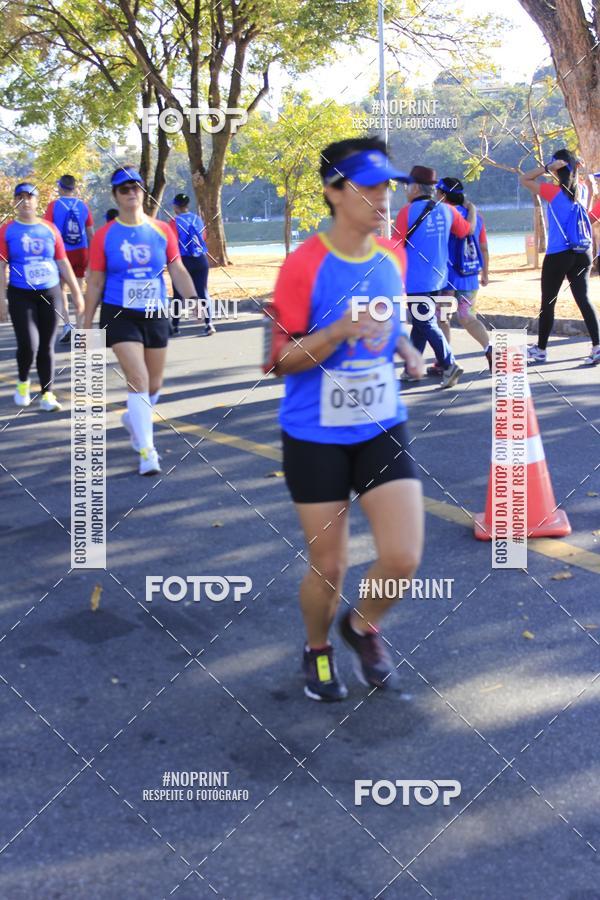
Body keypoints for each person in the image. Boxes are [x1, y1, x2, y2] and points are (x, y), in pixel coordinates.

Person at [264, 137, 425, 702]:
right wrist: (334, 333)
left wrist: (404, 346)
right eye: (371, 186)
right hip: (315, 434)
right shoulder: (304, 265)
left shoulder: (392, 256)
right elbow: (281, 361)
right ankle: (316, 648)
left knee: (403, 556)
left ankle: (359, 627)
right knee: (330, 566)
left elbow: (387, 316)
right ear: (335, 193)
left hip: (381, 422)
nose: (385, 197)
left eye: (388, 186)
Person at [83, 166, 200, 476]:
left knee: (154, 383)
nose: (131, 192)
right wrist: (84, 324)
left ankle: (132, 418)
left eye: (135, 186)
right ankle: (148, 451)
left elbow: (177, 269)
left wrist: (193, 300)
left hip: (155, 311)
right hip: (119, 312)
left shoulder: (163, 229)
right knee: (138, 379)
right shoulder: (106, 236)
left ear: (143, 192)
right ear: (115, 195)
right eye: (124, 189)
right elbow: (95, 282)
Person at [0, 181, 84, 411]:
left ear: (37, 201)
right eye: (21, 197)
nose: (25, 200)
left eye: (30, 196)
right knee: (29, 344)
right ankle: (23, 381)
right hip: (20, 294)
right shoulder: (7, 230)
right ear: (15, 201)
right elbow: (1, 266)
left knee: (47, 346)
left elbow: (63, 262)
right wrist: (1, 300)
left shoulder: (50, 229)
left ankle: (47, 395)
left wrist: (77, 295)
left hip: (50, 291)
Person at [393, 165, 476, 388]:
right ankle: (412, 368)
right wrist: (472, 210)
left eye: (406, 185)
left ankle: (449, 364)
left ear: (415, 187)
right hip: (438, 278)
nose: (404, 190)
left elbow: (395, 247)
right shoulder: (448, 210)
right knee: (422, 322)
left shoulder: (405, 213)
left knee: (425, 321)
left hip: (416, 279)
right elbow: (466, 230)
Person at [520, 149, 600, 366]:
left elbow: (525, 178)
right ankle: (597, 347)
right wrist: (576, 169)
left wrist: (547, 168)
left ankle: (541, 350)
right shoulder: (582, 190)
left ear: (557, 168)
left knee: (548, 302)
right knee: (583, 299)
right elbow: (589, 195)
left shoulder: (552, 192)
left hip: (559, 254)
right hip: (583, 252)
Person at [434, 177, 492, 373]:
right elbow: (483, 247)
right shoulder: (478, 218)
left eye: (437, 192)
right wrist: (485, 273)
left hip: (447, 278)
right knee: (468, 318)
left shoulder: (444, 214)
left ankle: (445, 361)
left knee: (442, 318)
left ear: (443, 194)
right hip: (469, 277)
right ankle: (490, 348)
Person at [43, 174, 94, 344]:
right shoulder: (84, 206)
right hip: (82, 251)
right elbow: (90, 232)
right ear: (74, 187)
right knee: (78, 290)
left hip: (61, 253)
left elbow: (46, 231)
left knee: (60, 290)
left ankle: (67, 325)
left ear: (60, 186)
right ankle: (80, 329)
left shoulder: (53, 206)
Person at [169, 193, 215, 336]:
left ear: (176, 207)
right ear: (187, 205)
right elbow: (204, 236)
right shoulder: (198, 219)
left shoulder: (173, 222)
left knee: (178, 294)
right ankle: (209, 324)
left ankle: (175, 326)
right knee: (203, 291)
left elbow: (171, 242)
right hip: (200, 259)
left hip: (183, 261)